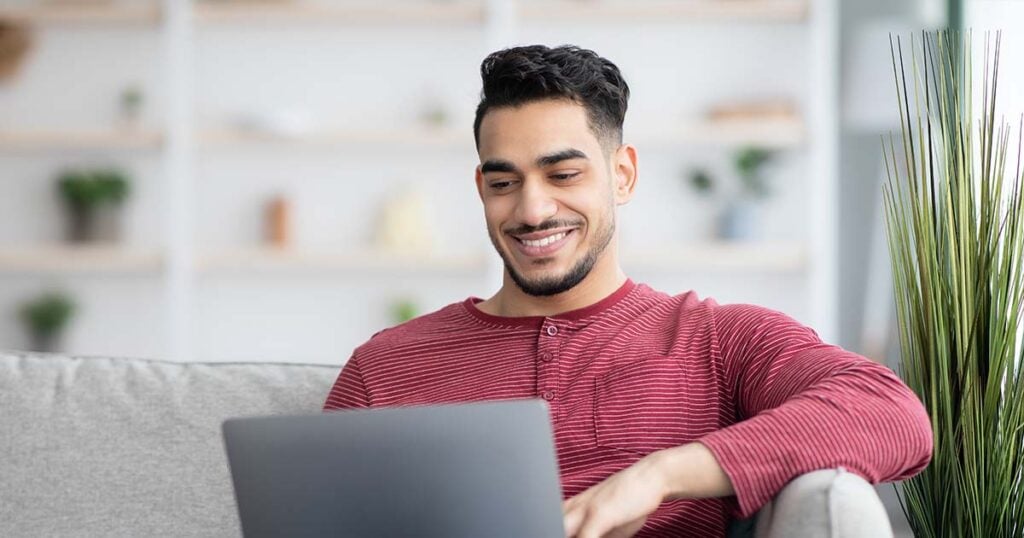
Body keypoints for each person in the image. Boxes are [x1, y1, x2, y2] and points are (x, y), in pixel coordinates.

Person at [323, 44, 932, 538]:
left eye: (564, 175)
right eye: (505, 181)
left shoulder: (716, 340)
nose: (533, 210)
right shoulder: (385, 368)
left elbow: (892, 414)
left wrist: (661, 473)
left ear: (623, 176)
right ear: (482, 188)